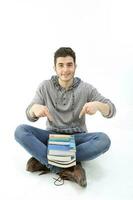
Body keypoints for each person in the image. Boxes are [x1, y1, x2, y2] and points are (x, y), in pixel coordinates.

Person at [15, 47, 116, 187]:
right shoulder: (45, 86)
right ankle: (65, 168)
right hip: (51, 137)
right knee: (20, 131)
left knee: (104, 140)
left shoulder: (86, 88)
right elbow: (29, 114)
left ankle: (46, 160)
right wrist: (34, 110)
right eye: (61, 65)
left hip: (76, 139)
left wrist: (98, 106)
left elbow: (111, 110)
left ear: (75, 66)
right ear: (54, 67)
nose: (65, 70)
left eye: (69, 64)